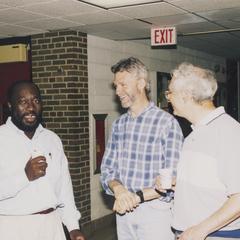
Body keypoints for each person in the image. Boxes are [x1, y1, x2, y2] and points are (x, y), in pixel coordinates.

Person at [100, 57, 183, 240]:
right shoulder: (119, 124)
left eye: (123, 85)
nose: (118, 91)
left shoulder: (167, 123)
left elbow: (173, 180)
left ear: (141, 83)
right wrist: (119, 190)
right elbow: (107, 170)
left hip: (156, 212)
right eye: (116, 86)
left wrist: (136, 197)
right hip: (123, 210)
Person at [0, 80, 85, 240]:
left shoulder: (52, 139)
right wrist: (24, 177)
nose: (31, 107)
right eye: (23, 102)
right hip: (12, 227)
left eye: (36, 100)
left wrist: (73, 227)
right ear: (10, 106)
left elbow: (64, 189)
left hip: (52, 226)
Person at [164, 62, 240, 240]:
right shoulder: (195, 132)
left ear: (186, 95)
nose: (168, 98)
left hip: (216, 235)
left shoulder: (229, 132)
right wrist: (179, 185)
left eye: (170, 93)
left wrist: (200, 230)